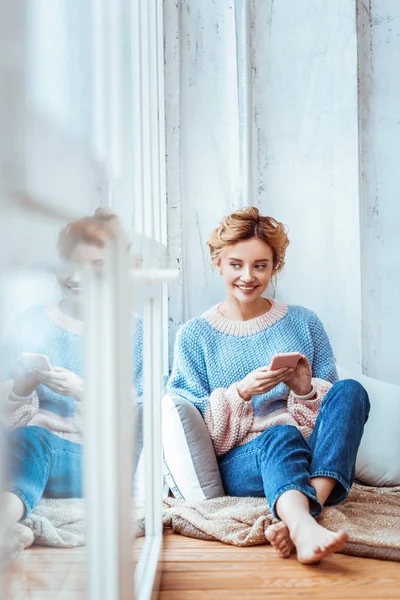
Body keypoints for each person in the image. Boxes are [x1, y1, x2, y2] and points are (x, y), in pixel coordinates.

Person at [166, 207, 370, 565]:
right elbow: (196, 430)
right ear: (218, 264)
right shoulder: (194, 336)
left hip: (312, 454)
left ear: (275, 267)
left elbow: (336, 420)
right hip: (248, 462)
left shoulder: (304, 322)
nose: (248, 276)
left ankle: (305, 513)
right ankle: (305, 524)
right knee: (279, 433)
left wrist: (305, 390)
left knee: (351, 390)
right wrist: (242, 392)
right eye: (235, 265)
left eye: (260, 265)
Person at [0, 208, 143, 557]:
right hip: (27, 445)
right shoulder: (33, 321)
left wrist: (82, 389)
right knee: (27, 441)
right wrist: (19, 387)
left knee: (34, 441)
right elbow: (9, 417)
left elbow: (138, 422)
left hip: (93, 457)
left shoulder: (134, 330)